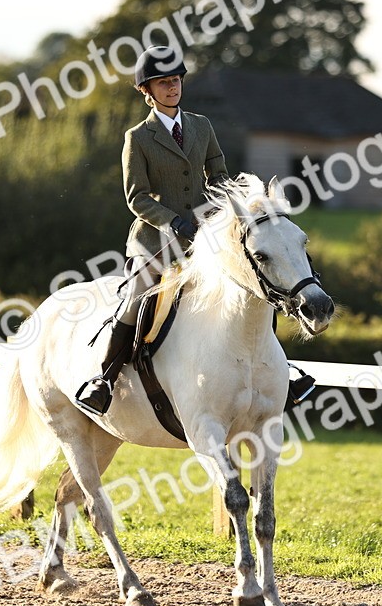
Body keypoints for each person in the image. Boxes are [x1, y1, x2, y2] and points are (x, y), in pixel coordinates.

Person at [74, 46, 314, 416]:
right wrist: (173, 221)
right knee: (138, 297)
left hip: (205, 240)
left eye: (175, 81)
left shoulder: (201, 126)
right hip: (155, 242)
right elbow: (136, 197)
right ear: (146, 91)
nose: (172, 88)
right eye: (163, 83)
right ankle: (103, 379)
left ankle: (282, 374)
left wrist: (232, 209)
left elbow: (218, 179)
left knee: (256, 288)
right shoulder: (138, 138)